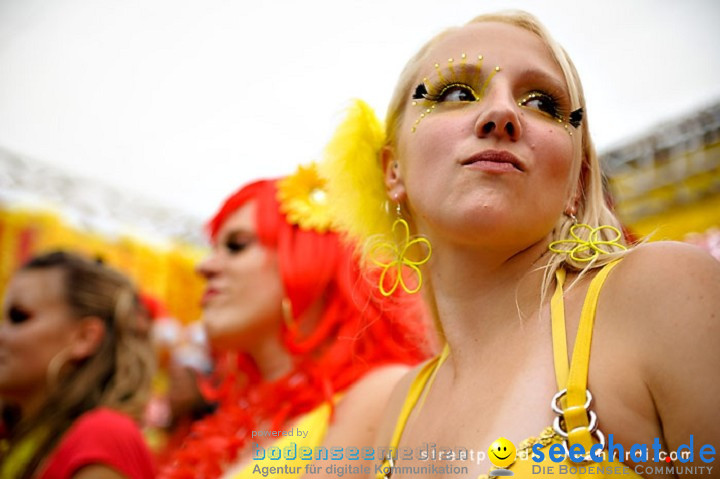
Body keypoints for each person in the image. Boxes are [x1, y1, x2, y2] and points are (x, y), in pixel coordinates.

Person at [319, 10, 720, 478]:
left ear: (577, 180)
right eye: (454, 93)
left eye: (543, 103)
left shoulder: (661, 294)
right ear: (393, 171)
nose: (502, 114)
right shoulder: (399, 410)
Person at [158, 165, 432, 479]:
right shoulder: (245, 414)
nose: (204, 267)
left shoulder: (380, 392)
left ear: (310, 265)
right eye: (213, 249)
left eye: (236, 245)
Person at [0, 251, 156, 479]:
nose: (2, 333)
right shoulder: (23, 434)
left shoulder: (103, 436)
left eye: (18, 317)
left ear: (84, 338)